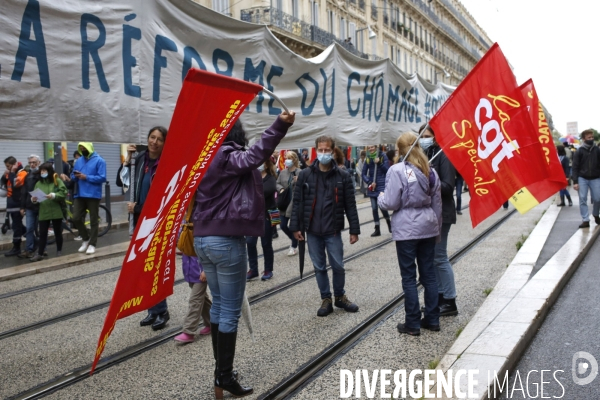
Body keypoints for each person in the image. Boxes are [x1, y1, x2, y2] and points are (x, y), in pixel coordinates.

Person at [193, 111, 295, 399]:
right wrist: (281, 124)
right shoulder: (225, 155)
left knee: (218, 307)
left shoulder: (203, 157)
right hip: (226, 240)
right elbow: (254, 156)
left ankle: (220, 374)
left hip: (203, 240)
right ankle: (224, 375)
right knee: (229, 311)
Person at [378, 132, 442, 336]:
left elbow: (390, 203)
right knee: (429, 275)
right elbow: (437, 204)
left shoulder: (396, 170)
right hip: (428, 227)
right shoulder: (429, 170)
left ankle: (412, 323)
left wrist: (380, 198)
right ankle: (432, 319)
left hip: (406, 230)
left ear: (401, 150)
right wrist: (436, 230)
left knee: (408, 277)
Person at [290, 135, 361, 317]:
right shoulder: (305, 175)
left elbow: (350, 205)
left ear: (332, 151)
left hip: (333, 230)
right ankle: (326, 298)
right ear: (315, 150)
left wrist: (354, 229)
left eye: (326, 150)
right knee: (319, 266)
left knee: (338, 266)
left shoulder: (343, 176)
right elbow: (297, 202)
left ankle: (339, 296)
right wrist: (295, 227)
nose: (323, 153)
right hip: (312, 230)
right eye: (320, 150)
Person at [117, 126, 170, 331]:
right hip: (139, 222)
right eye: (152, 137)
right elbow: (122, 181)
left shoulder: (165, 164)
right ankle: (152, 309)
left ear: (165, 143)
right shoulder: (138, 159)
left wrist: (137, 207)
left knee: (154, 266)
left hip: (156, 223)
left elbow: (163, 198)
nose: (154, 142)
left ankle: (162, 310)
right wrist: (127, 159)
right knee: (143, 268)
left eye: (159, 139)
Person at [420, 125, 459, 316]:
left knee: (440, 257)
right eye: (421, 136)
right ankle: (439, 298)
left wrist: (426, 182)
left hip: (443, 213)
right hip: (428, 215)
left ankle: (450, 301)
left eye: (427, 136)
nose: (423, 139)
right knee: (432, 258)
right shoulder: (422, 155)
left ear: (435, 138)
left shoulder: (443, 155)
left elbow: (448, 186)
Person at [70, 143, 106, 255]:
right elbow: (72, 175)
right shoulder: (78, 161)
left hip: (93, 195)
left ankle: (92, 244)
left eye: (84, 148)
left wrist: (86, 177)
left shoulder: (100, 160)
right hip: (79, 194)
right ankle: (86, 239)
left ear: (89, 148)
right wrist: (72, 176)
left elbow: (102, 177)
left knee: (93, 220)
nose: (82, 149)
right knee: (75, 218)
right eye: (80, 148)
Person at [246, 156, 277, 281]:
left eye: (261, 162)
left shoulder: (270, 178)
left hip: (266, 216)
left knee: (266, 244)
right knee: (250, 242)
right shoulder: (251, 178)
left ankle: (268, 269)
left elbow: (263, 192)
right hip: (252, 216)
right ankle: (253, 269)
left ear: (267, 164)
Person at [29, 163, 67, 262]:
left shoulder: (56, 180)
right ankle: (40, 253)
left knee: (58, 232)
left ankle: (59, 250)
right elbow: (35, 197)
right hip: (44, 211)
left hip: (56, 210)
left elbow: (63, 192)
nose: (42, 173)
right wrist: (33, 199)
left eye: (44, 171)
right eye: (41, 171)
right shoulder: (39, 183)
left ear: (49, 171)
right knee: (42, 234)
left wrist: (54, 195)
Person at [174, 254, 212, 344]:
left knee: (195, 300)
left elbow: (208, 250)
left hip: (200, 273)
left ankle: (189, 331)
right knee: (202, 299)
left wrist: (206, 270)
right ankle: (212, 323)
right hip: (191, 272)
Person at [572, 129, 600, 228]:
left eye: (592, 137)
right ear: (584, 139)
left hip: (595, 178)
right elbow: (575, 167)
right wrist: (575, 181)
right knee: (583, 199)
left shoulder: (597, 150)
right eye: (589, 138)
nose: (591, 139)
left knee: (597, 198)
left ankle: (596, 214)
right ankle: (585, 220)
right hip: (582, 178)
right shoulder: (579, 151)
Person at [361, 145, 391, 236]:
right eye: (369, 148)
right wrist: (369, 182)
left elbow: (388, 170)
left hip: (381, 185)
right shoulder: (368, 158)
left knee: (382, 207)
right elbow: (363, 173)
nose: (370, 149)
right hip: (372, 186)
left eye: (372, 147)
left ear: (376, 147)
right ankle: (377, 228)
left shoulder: (383, 156)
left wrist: (379, 163)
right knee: (374, 208)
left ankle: (389, 224)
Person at [2, 156, 27, 256]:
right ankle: (34, 241)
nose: (7, 168)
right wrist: (4, 176)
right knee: (19, 226)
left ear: (13, 164)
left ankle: (17, 248)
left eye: (8, 166)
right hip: (11, 204)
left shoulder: (22, 173)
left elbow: (15, 184)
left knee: (17, 227)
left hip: (17, 204)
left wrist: (11, 172)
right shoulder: (11, 173)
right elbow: (3, 184)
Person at [277, 151, 300, 256]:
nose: (287, 160)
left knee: (294, 226)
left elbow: (307, 185)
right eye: (286, 158)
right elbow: (277, 183)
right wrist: (280, 189)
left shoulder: (300, 172)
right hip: (284, 203)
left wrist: (299, 181)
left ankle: (294, 246)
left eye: (289, 158)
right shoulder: (283, 172)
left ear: (294, 160)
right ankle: (295, 238)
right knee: (282, 225)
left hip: (295, 203)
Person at [19, 155, 42, 258]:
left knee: (41, 229)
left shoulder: (42, 174)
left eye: (34, 162)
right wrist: (22, 207)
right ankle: (29, 249)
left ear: (39, 162)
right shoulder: (28, 175)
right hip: (29, 206)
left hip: (41, 205)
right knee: (29, 228)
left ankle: (42, 249)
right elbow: (24, 192)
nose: (32, 164)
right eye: (30, 163)